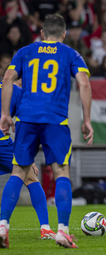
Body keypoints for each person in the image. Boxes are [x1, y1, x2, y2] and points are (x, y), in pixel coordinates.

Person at [0, 14, 93, 248]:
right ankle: (62, 231)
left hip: (26, 118)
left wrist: (5, 114)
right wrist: (87, 119)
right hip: (55, 120)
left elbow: (8, 78)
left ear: (41, 34)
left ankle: (2, 226)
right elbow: (83, 83)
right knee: (61, 171)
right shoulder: (70, 53)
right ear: (63, 34)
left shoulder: (24, 52)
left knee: (18, 172)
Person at [0, 77, 55, 245]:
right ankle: (45, 228)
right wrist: (26, 156)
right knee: (30, 178)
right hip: (2, 144)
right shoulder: (21, 94)